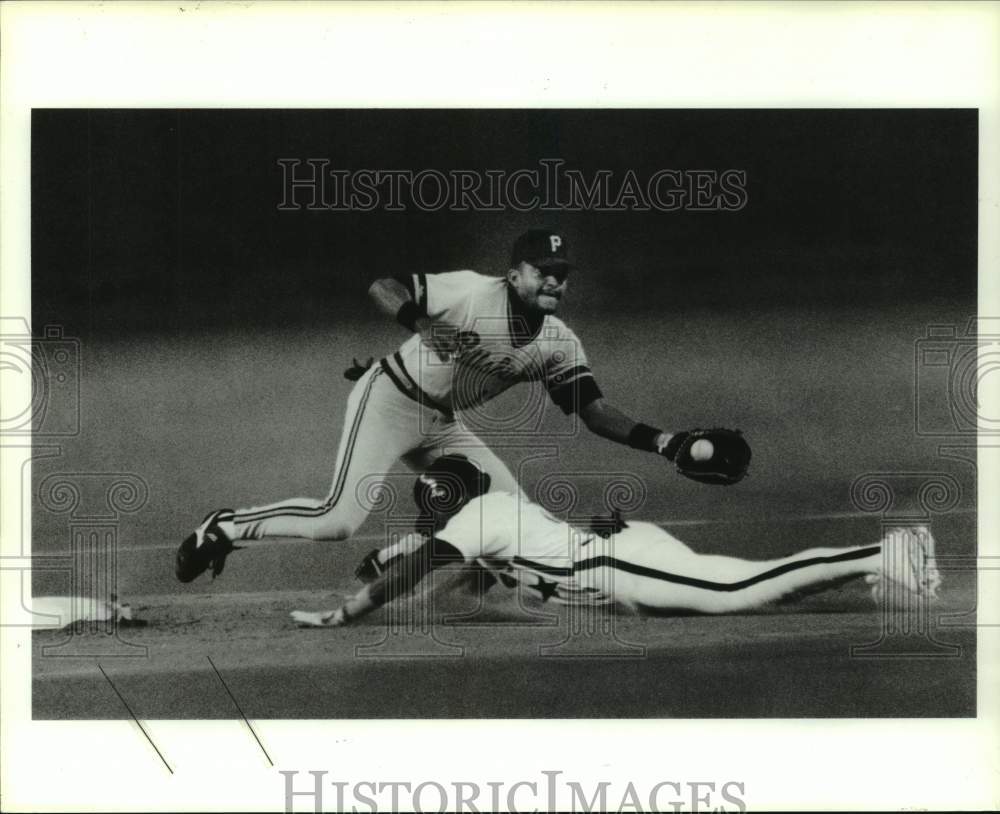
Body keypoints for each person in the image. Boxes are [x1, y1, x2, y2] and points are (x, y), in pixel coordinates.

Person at [176, 229, 746, 583]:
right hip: (389, 399)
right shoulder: (474, 291)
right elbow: (384, 285)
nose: (553, 278)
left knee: (518, 526)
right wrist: (419, 322)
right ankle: (225, 526)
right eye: (542, 270)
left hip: (443, 424)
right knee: (338, 520)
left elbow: (593, 411)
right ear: (514, 272)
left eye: (562, 273)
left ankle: (406, 555)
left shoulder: (557, 342)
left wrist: (665, 440)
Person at [290, 454, 942, 627]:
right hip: (621, 554)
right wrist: (396, 562)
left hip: (620, 564)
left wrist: (350, 610)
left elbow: (420, 572)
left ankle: (888, 552)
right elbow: (452, 581)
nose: (431, 507)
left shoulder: (478, 517)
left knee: (739, 591)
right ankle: (876, 568)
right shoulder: (485, 523)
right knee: (744, 589)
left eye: (435, 497)